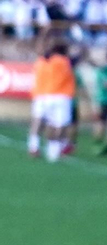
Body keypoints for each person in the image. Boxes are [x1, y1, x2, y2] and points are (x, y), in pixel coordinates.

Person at [26, 35, 77, 163]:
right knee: (59, 124)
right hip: (61, 96)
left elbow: (40, 47)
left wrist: (45, 33)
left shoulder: (43, 60)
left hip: (43, 95)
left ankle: (34, 146)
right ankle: (52, 151)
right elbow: (80, 56)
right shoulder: (65, 61)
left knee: (39, 121)